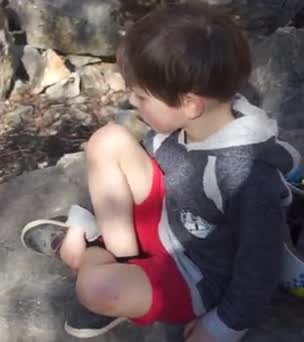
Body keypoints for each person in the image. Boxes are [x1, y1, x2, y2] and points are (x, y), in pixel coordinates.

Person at [21, 2, 301, 341]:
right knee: (107, 139)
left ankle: (92, 251)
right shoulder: (190, 122)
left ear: (189, 103)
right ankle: (116, 253)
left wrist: (224, 325)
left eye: (141, 96)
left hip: (193, 275)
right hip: (167, 219)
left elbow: (259, 266)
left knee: (97, 289)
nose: (132, 103)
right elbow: (142, 170)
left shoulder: (246, 176)